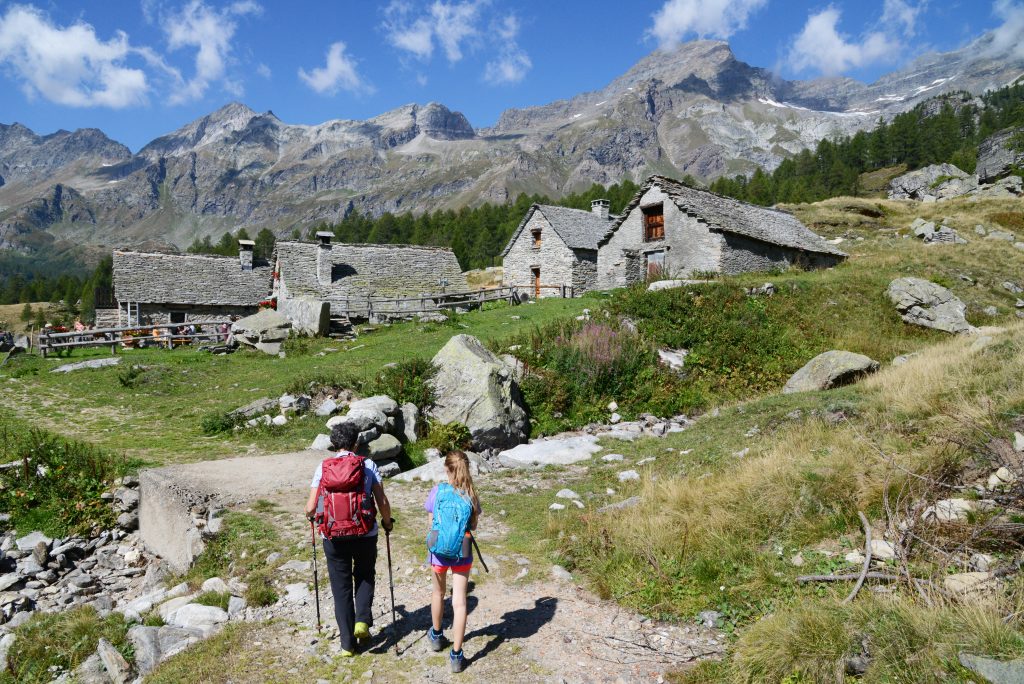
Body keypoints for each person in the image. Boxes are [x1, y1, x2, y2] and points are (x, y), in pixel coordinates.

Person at [305, 421, 392, 657]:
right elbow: (382, 501)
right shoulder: (368, 464)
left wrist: (310, 515)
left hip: (333, 536)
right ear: (356, 443)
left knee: (340, 587)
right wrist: (387, 521)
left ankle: (347, 644)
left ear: (334, 444)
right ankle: (362, 620)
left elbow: (311, 506)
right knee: (364, 574)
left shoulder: (323, 467)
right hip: (364, 532)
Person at [424, 451, 482, 673]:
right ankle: (457, 655)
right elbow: (474, 525)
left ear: (446, 469)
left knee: (437, 593)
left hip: (438, 550)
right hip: (462, 551)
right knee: (459, 602)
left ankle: (437, 636)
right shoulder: (471, 495)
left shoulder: (438, 491)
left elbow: (431, 522)